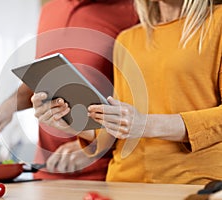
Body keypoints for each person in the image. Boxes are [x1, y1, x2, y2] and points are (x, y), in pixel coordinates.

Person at [31, 0, 222, 184]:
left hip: (191, 183)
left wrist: (146, 125)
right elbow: (117, 131)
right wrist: (68, 123)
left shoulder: (217, 23)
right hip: (122, 183)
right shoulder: (127, 39)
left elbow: (137, 124)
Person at [0, 0, 138, 180]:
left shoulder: (133, 10)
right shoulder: (49, 9)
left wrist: (91, 147)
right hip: (47, 169)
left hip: (101, 171)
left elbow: (143, 102)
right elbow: (45, 79)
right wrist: (9, 106)